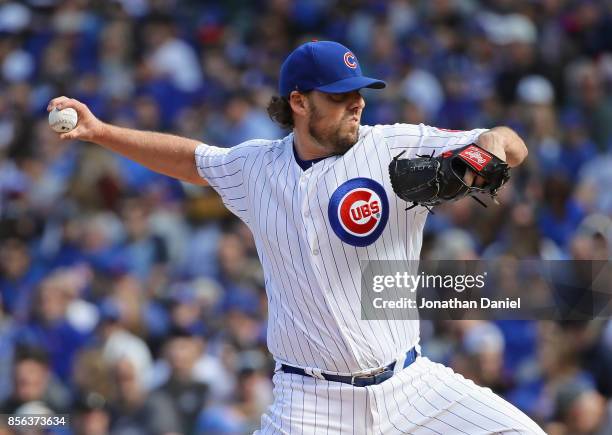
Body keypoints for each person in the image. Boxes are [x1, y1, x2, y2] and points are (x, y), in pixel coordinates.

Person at [48, 40, 544, 434]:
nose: (356, 104)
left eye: (359, 92)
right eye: (340, 95)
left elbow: (507, 141)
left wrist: (489, 152)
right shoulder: (255, 167)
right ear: (299, 101)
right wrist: (100, 132)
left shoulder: (392, 144)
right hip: (311, 403)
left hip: (410, 386)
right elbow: (190, 158)